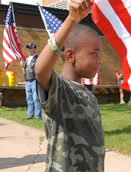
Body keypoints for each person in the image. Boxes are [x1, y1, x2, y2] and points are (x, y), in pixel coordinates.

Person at [34, 0, 105, 171]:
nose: (99, 60)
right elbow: (40, 70)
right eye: (93, 53)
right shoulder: (60, 90)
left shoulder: (88, 95)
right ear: (70, 55)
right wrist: (72, 20)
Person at [21, 43, 42, 120]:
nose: (29, 49)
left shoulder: (37, 59)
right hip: (27, 81)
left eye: (30, 48)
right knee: (29, 98)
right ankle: (30, 116)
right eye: (28, 48)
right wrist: (22, 65)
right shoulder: (26, 59)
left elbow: (39, 71)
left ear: (34, 49)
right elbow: (25, 72)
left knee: (36, 98)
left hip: (34, 81)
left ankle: (38, 116)